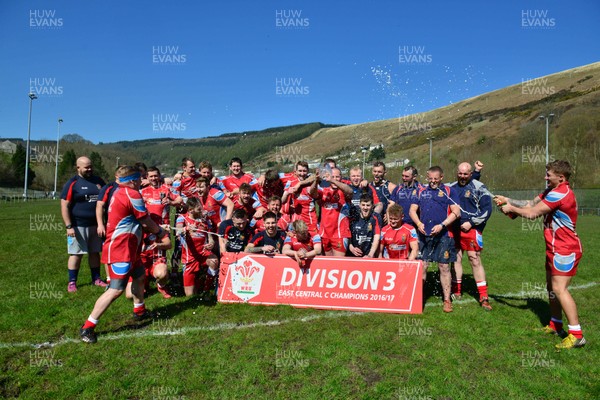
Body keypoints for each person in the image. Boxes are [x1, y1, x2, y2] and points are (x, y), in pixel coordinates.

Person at [495, 160, 586, 349]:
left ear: (561, 177)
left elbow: (532, 213)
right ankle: (555, 324)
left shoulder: (560, 194)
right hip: (554, 247)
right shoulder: (551, 191)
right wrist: (508, 200)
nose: (545, 177)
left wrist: (511, 209)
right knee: (551, 288)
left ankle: (577, 334)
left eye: (549, 174)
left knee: (560, 289)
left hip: (565, 249)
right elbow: (530, 203)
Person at [79, 166, 169, 343]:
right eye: (140, 179)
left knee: (139, 276)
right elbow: (145, 220)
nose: (142, 182)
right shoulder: (132, 194)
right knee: (116, 289)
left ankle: (139, 311)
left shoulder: (120, 192)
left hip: (129, 247)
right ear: (134, 180)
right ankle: (88, 327)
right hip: (122, 248)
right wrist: (160, 232)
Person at [409, 166, 461, 313]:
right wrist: (419, 223)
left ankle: (447, 299)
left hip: (444, 236)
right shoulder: (420, 191)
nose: (432, 182)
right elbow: (412, 210)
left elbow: (456, 212)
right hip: (424, 236)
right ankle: (419, 296)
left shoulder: (450, 191)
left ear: (441, 177)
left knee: (444, 267)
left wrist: (442, 225)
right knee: (423, 266)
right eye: (430, 179)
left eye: (435, 179)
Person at [447, 162, 493, 310]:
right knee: (456, 259)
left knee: (474, 260)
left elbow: (487, 211)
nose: (462, 176)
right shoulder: (451, 187)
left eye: (465, 174)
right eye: (460, 173)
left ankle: (483, 296)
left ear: (470, 174)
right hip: (455, 230)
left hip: (472, 230)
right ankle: (457, 291)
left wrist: (471, 222)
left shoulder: (480, 188)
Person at [60, 156, 107, 292]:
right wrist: (69, 226)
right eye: (86, 167)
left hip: (96, 225)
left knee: (94, 252)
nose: (89, 169)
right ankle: (72, 282)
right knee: (76, 254)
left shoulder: (98, 181)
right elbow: (64, 205)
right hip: (78, 226)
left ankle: (96, 279)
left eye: (91, 166)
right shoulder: (72, 183)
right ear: (78, 168)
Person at [176, 197, 219, 297]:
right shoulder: (182, 218)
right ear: (191, 210)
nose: (202, 211)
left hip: (203, 253)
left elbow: (209, 235)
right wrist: (187, 228)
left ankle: (206, 290)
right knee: (190, 295)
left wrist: (211, 243)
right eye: (199, 209)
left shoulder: (204, 219)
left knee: (214, 261)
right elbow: (177, 231)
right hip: (189, 257)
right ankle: (199, 279)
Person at [317, 167, 353, 257]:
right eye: (332, 176)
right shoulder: (324, 191)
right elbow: (313, 193)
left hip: (340, 234)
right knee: (327, 264)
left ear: (341, 177)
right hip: (325, 233)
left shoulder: (343, 190)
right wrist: (315, 178)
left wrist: (333, 180)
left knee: (339, 264)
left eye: (337, 177)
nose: (335, 178)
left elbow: (350, 191)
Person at [282, 162, 320, 235]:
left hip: (311, 219)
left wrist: (300, 184)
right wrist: (287, 193)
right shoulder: (290, 182)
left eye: (304, 171)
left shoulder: (312, 180)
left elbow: (316, 177)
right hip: (296, 220)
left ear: (308, 171)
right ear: (295, 171)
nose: (302, 173)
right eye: (300, 171)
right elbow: (283, 200)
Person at [348, 194, 381, 258]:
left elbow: (377, 237)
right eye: (363, 205)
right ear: (359, 205)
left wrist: (370, 255)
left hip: (368, 255)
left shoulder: (376, 217)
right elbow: (346, 232)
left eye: (368, 205)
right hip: (352, 254)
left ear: (372, 206)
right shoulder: (353, 216)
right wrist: (351, 247)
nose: (365, 208)